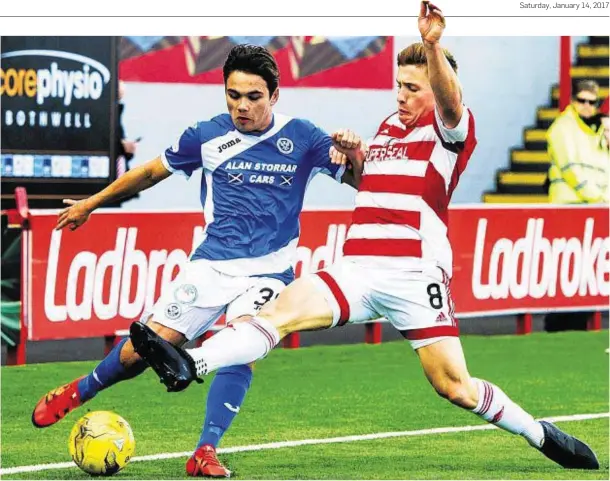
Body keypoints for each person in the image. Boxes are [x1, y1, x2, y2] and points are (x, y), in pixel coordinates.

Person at [131, 2, 599, 472]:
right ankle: (191, 363)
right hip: (357, 267)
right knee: (277, 313)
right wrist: (355, 154)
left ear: (435, 90)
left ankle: (542, 435)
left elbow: (451, 100)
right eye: (397, 84)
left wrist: (433, 46)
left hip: (413, 274)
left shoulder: (450, 130)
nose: (400, 95)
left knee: (454, 386)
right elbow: (365, 181)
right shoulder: (388, 127)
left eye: (412, 88)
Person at [31, 44, 367, 478]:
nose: (242, 106)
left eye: (253, 96)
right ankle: (81, 390)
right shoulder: (206, 136)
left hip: (268, 271)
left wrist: (353, 153)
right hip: (209, 267)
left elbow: (362, 181)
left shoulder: (303, 137)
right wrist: (91, 204)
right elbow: (151, 172)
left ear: (275, 95)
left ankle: (205, 450)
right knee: (142, 352)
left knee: (241, 346)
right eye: (233, 95)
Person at [545, 82, 609, 332]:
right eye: (582, 100)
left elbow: (603, 171)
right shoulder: (562, 128)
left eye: (592, 102)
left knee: (583, 271)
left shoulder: (594, 132)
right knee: (566, 270)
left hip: (589, 210)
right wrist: (599, 199)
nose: (586, 106)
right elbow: (571, 169)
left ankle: (576, 324)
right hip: (567, 208)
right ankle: (557, 326)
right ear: (572, 100)